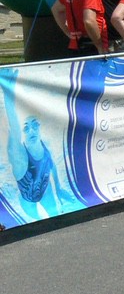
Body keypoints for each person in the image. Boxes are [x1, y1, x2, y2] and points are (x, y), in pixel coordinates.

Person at [0, 68, 81, 222]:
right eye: (26, 128)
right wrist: (8, 91)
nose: (31, 130)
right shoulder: (19, 155)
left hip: (45, 189)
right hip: (28, 200)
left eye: (35, 125)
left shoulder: (46, 144)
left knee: (56, 217)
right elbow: (14, 126)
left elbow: (51, 164)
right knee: (38, 222)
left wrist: (59, 188)